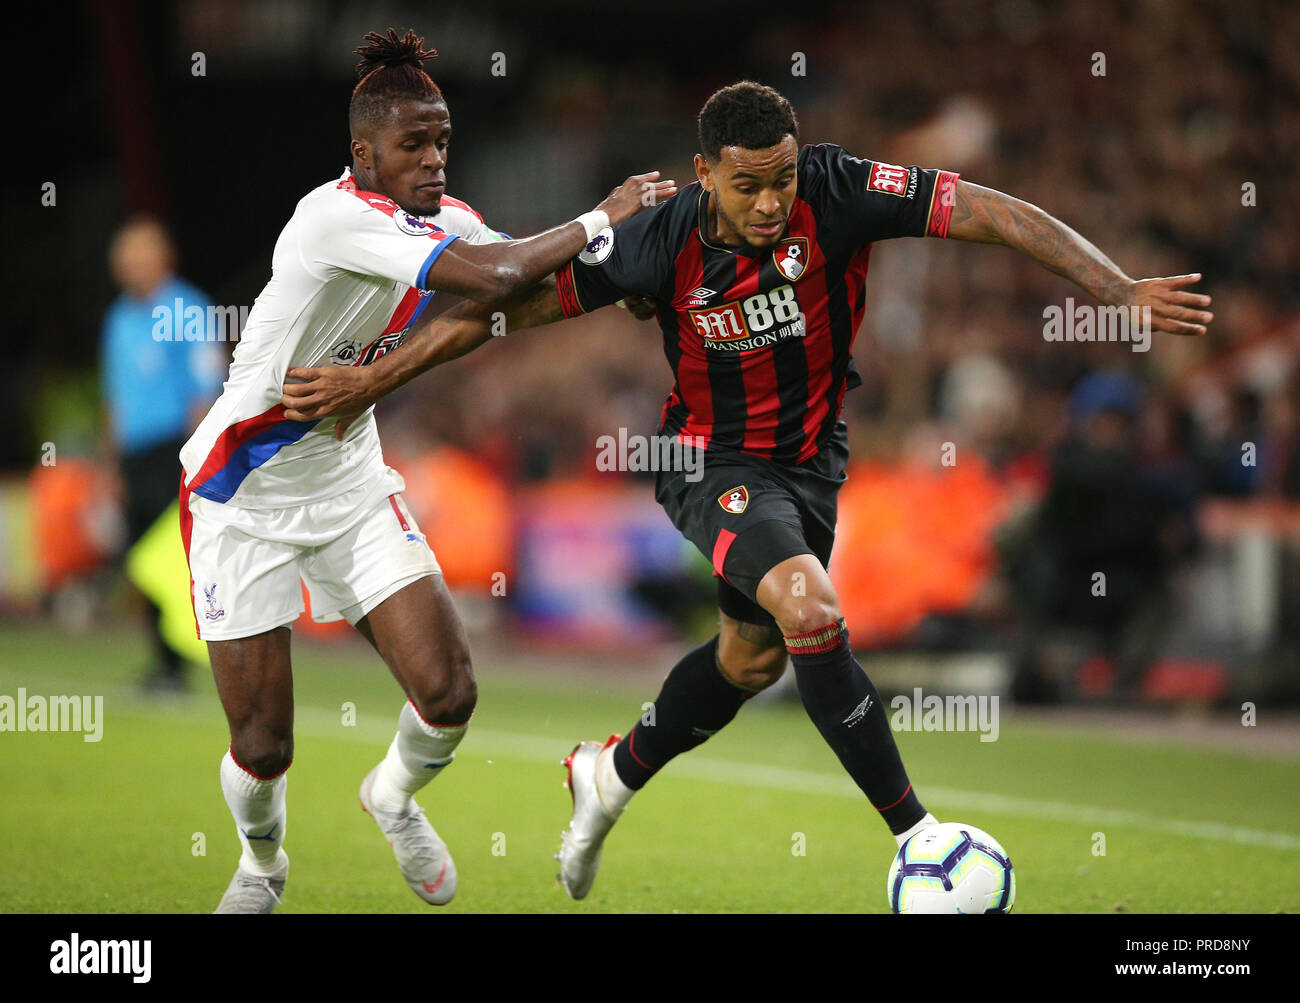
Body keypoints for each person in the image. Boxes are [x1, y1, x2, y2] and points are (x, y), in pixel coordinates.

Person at [279, 80, 1212, 901]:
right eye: (747, 183)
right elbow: (500, 312)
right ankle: (918, 835)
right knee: (810, 604)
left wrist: (1117, 286)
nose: (771, 202)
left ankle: (610, 774)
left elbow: (993, 211)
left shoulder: (840, 190)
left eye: (783, 178)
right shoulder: (660, 238)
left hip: (810, 465)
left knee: (749, 662)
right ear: (704, 171)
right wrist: (372, 379)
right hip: (705, 462)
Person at [184, 27, 673, 913]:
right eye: (414, 144)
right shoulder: (332, 218)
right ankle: (262, 865)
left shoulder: (440, 220)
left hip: (348, 479)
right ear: (362, 152)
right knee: (261, 746)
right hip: (243, 492)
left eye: (443, 140)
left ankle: (393, 794)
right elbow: (500, 273)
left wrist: (629, 278)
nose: (434, 159)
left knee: (449, 691)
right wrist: (607, 212)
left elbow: (531, 278)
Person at [102, 216, 226, 692]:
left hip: (173, 450)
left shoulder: (188, 309)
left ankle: (183, 664)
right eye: (124, 257)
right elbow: (114, 398)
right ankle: (163, 663)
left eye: (139, 254)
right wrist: (111, 466)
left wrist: (194, 461)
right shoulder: (118, 318)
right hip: (133, 457)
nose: (129, 265)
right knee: (142, 562)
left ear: (162, 257)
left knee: (174, 562)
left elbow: (205, 390)